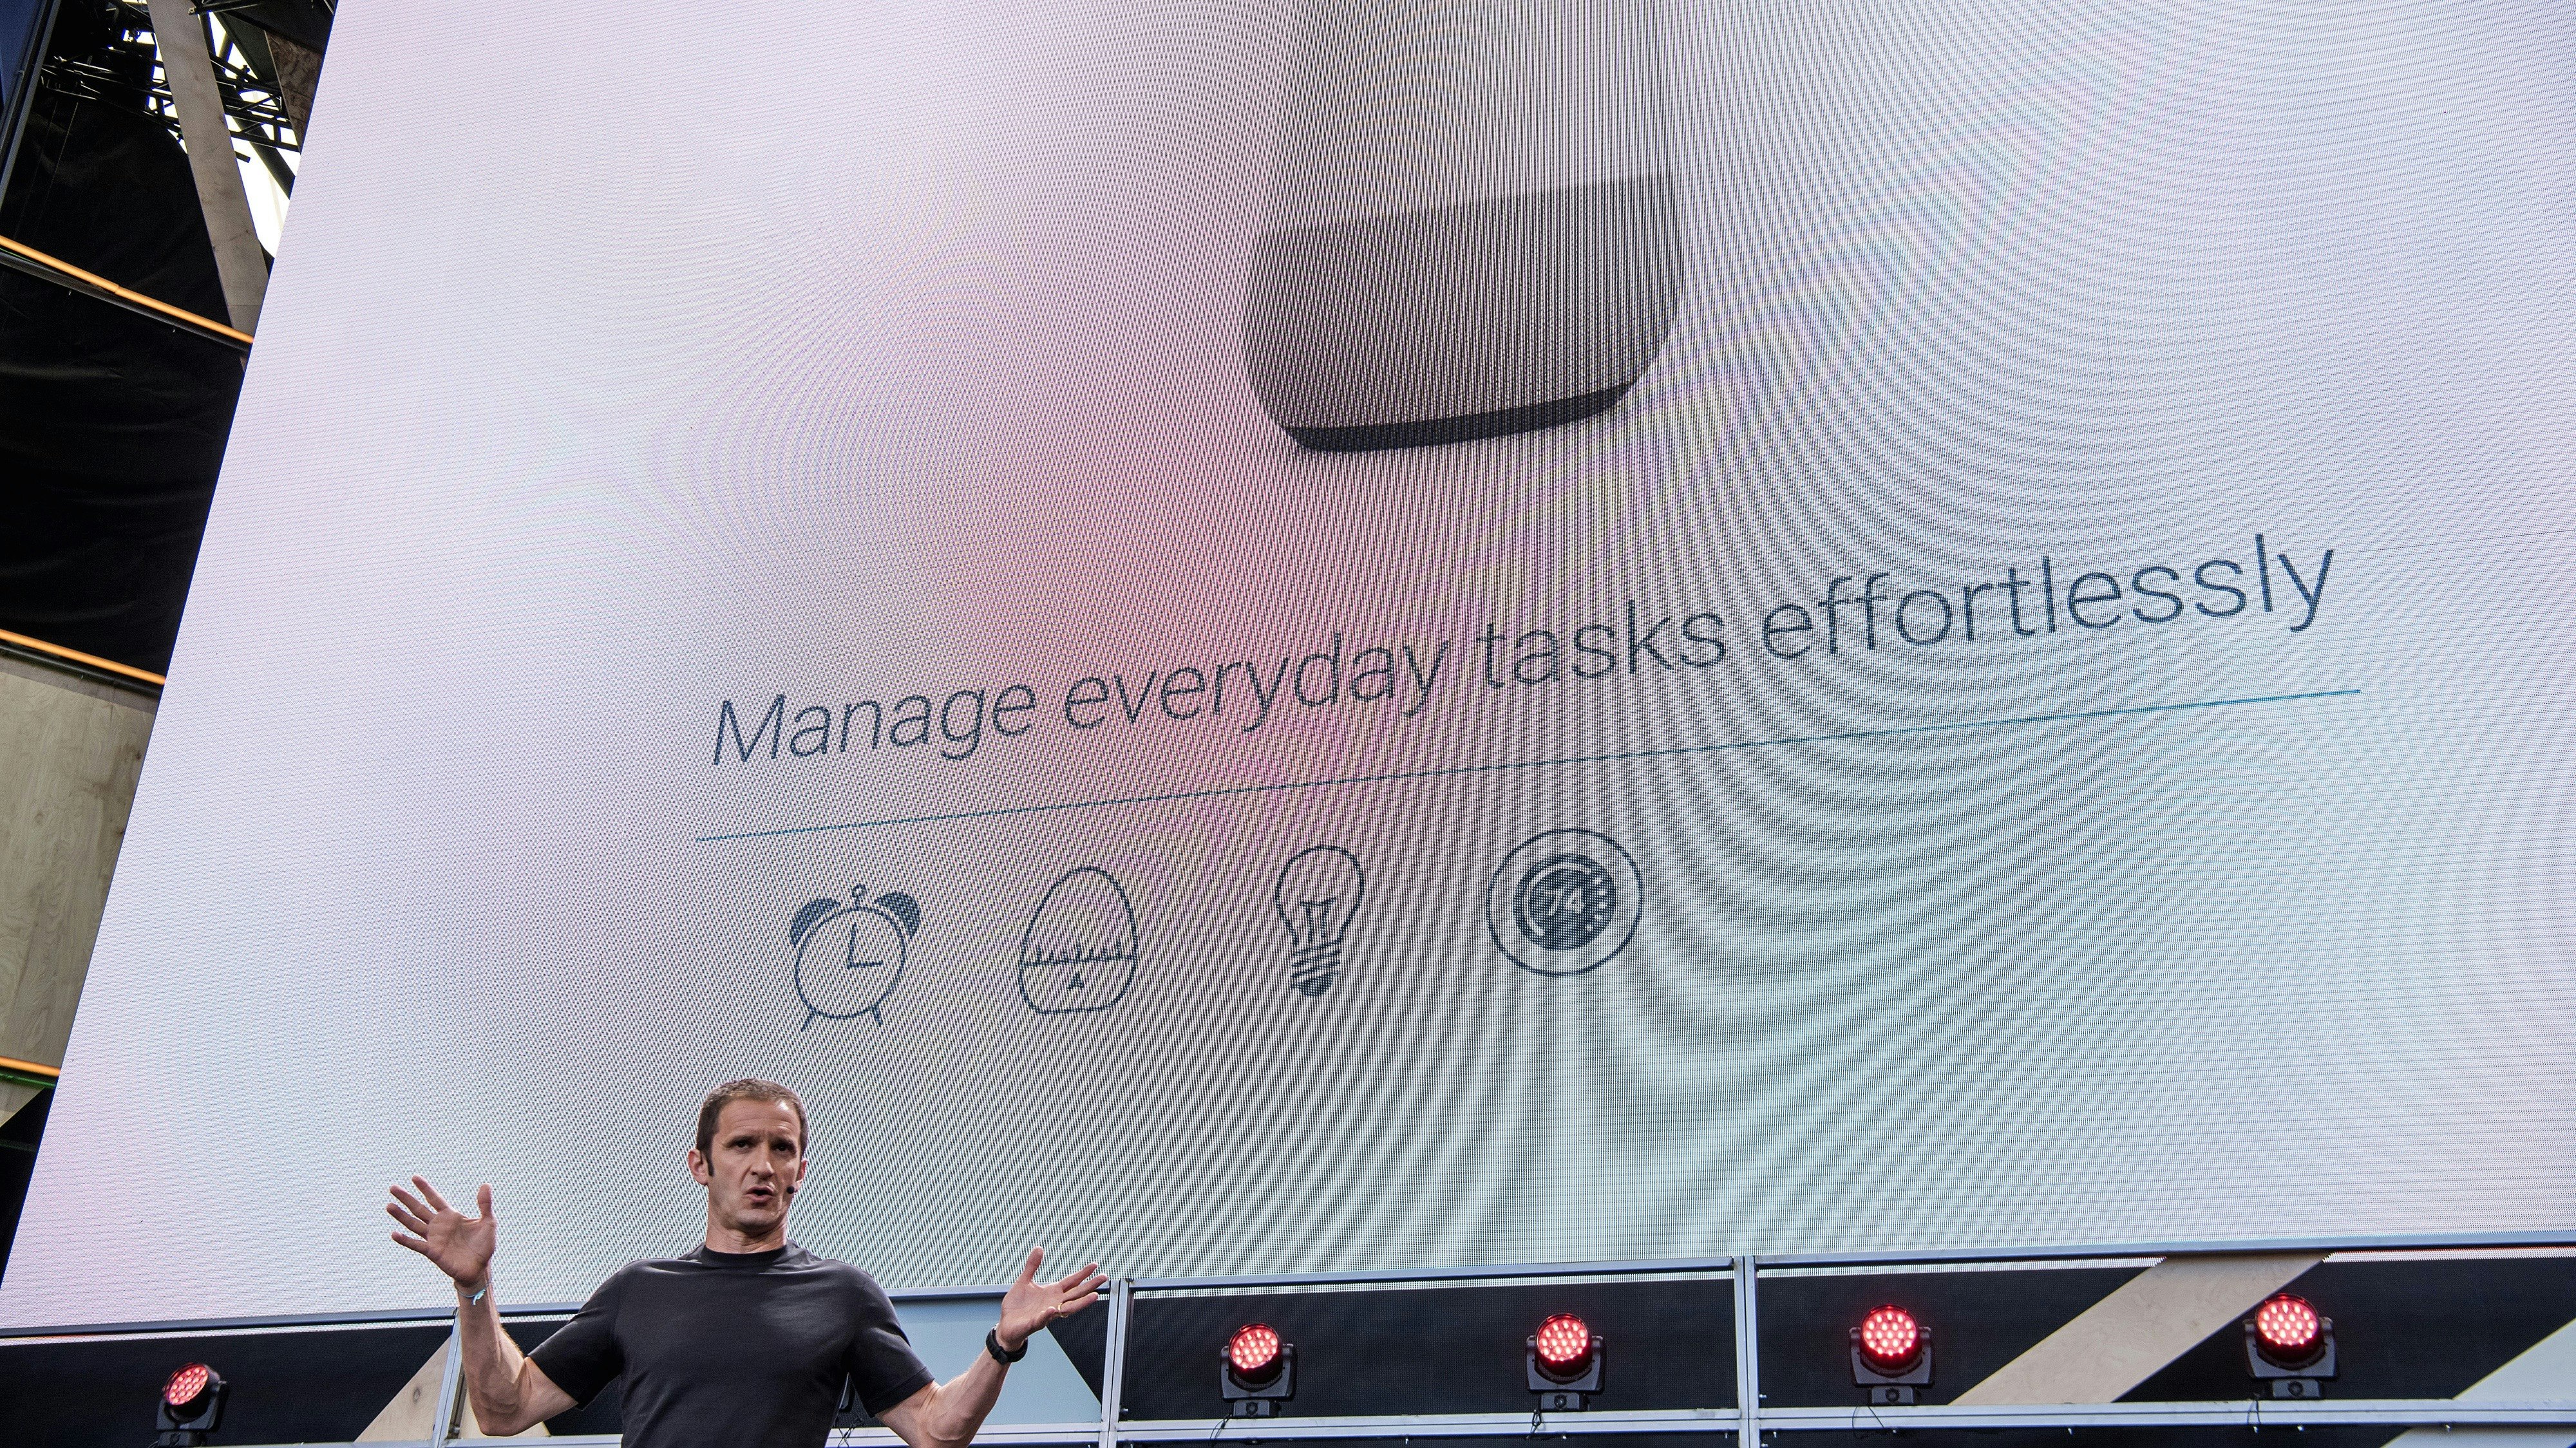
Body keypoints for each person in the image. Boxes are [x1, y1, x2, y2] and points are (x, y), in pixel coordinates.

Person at [386, 1077, 1105, 1446]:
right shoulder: (638, 1290)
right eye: (742, 1145)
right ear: (700, 1164)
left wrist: (1002, 1342)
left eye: (782, 1148)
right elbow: (504, 1407)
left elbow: (937, 1429)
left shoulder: (842, 1292)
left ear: (800, 1170)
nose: (763, 1165)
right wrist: (475, 1288)